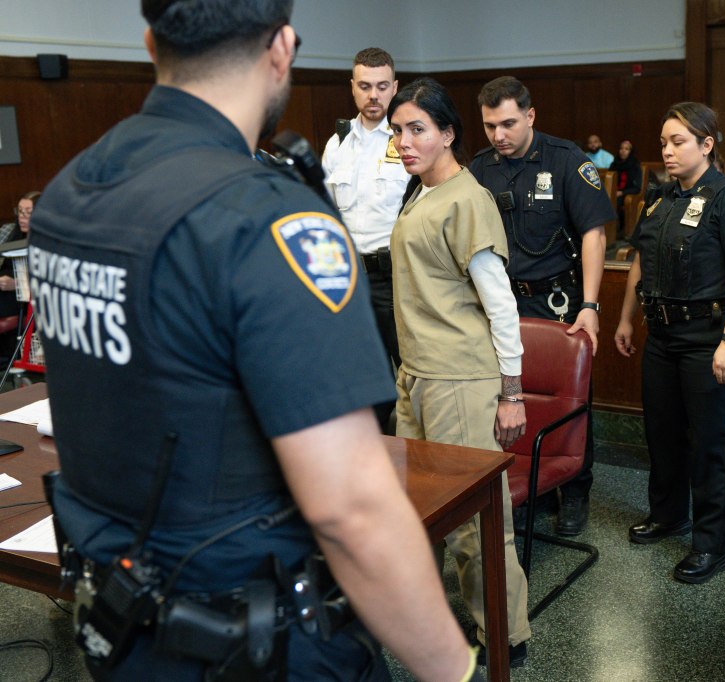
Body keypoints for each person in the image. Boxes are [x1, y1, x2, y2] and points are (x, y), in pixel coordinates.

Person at [28, 2, 476, 680]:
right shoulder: (266, 220)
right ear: (282, 49)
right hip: (252, 642)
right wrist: (457, 670)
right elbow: (350, 508)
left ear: (153, 44)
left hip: (122, 626)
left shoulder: (69, 189)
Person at [388, 77, 532, 667]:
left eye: (417, 129)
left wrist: (512, 392)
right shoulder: (419, 192)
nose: (404, 140)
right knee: (412, 511)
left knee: (476, 525)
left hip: (460, 381)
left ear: (448, 134)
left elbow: (500, 308)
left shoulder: (466, 200)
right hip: (417, 375)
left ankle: (507, 633)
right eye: (398, 130)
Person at [614, 102, 725, 584]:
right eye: (663, 143)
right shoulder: (658, 199)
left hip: (708, 338)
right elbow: (640, 261)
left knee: (710, 444)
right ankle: (668, 514)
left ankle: (713, 545)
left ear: (707, 145)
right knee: (663, 432)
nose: (667, 151)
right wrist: (627, 319)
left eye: (678, 142)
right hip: (662, 335)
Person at [470, 76, 615, 536]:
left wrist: (590, 304)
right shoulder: (478, 168)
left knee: (571, 404)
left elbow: (594, 232)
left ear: (530, 116)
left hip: (558, 303)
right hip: (502, 307)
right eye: (491, 125)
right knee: (513, 400)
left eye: (509, 123)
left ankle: (574, 491)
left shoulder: (566, 160)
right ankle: (530, 486)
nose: (499, 135)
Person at [320, 47, 408, 432]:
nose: (374, 96)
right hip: (349, 279)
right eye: (366, 86)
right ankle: (373, 453)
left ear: (395, 88)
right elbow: (324, 214)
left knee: (409, 372)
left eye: (383, 87)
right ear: (352, 88)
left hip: (396, 277)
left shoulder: (410, 140)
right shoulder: (337, 144)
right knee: (359, 375)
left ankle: (421, 465)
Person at [0, 191, 37, 358]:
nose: (22, 217)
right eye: (20, 212)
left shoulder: (48, 242)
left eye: (28, 213)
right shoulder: (12, 234)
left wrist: (16, 284)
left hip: (26, 296)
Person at [609, 139, 642, 238]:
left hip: (628, 194)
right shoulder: (614, 164)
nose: (623, 151)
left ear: (630, 151)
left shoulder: (635, 165)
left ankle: (615, 231)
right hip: (613, 193)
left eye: (626, 149)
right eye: (621, 148)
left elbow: (637, 187)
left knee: (615, 201)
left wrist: (622, 192)